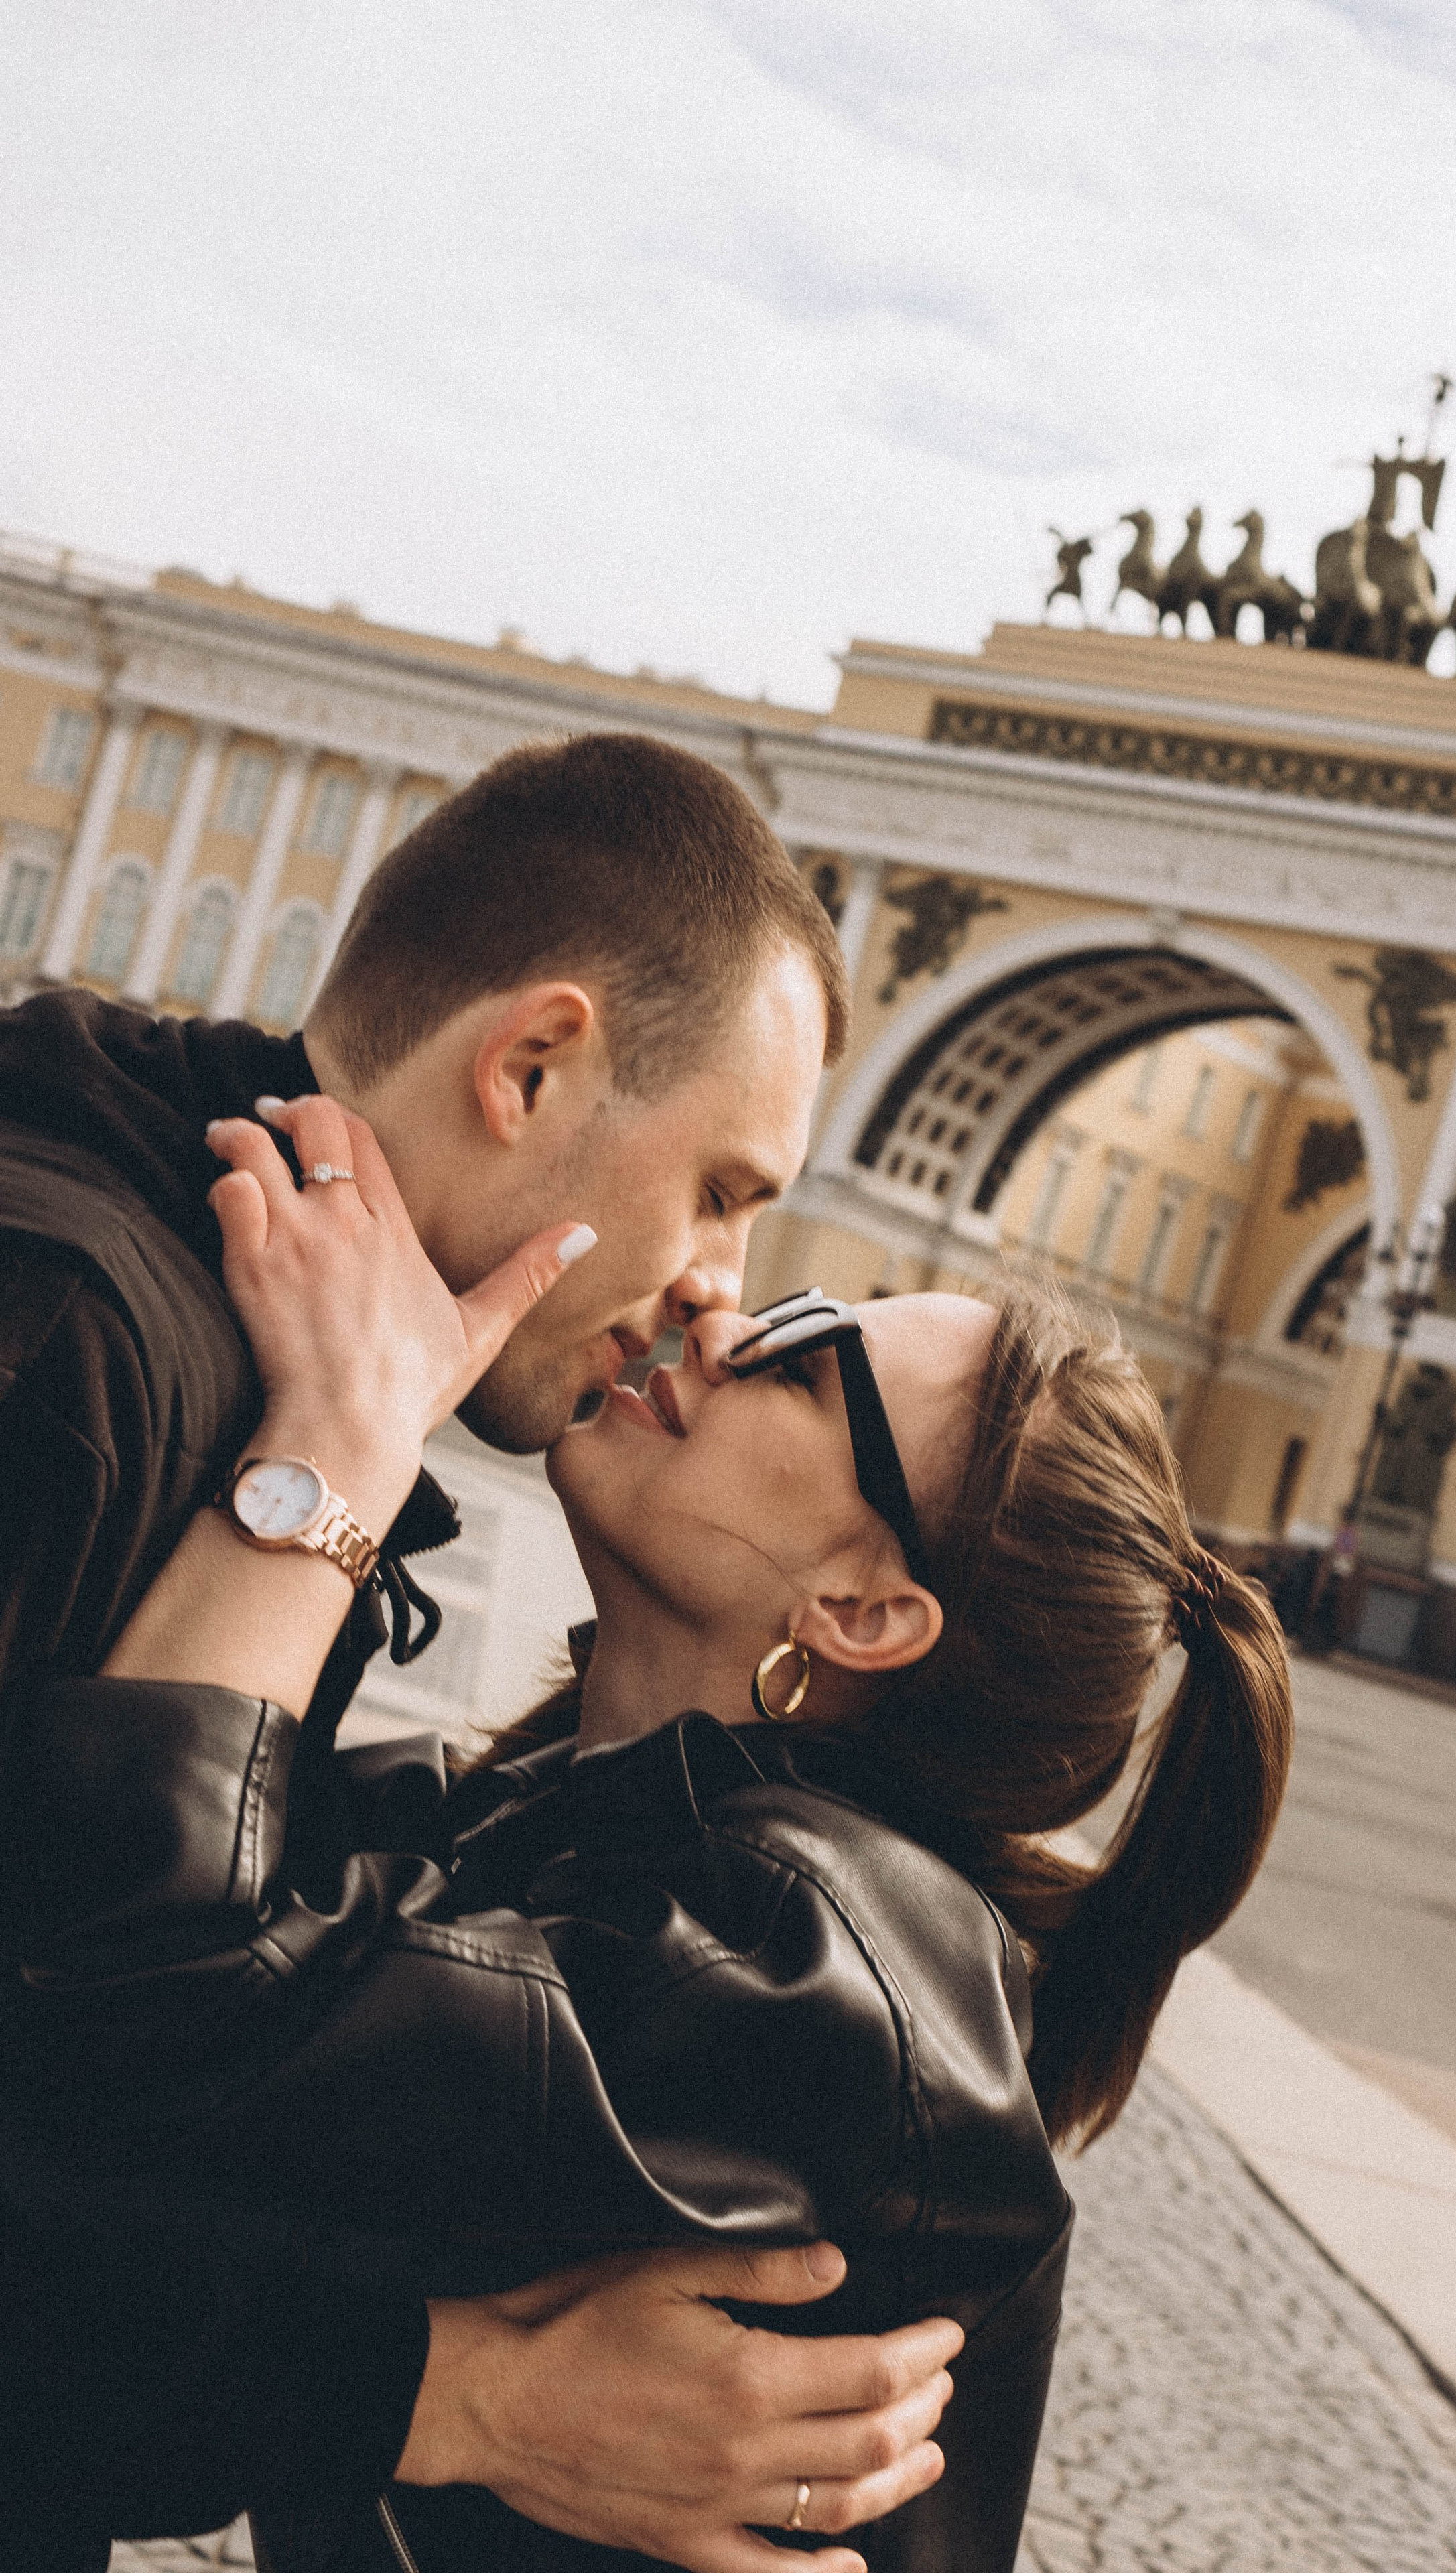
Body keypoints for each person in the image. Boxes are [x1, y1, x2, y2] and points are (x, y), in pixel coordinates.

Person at [3, 1090, 1295, 2569]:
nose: (728, 1322)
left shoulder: (794, 1978)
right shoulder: (552, 1819)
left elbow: (140, 1992)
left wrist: (341, 1446)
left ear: (862, 1613)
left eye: (810, 1364)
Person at [0, 732, 959, 2568]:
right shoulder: (72, 1356)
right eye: (728, 1192)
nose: (718, 1292)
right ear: (533, 1065)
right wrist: (448, 2396)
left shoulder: (195, 1318)